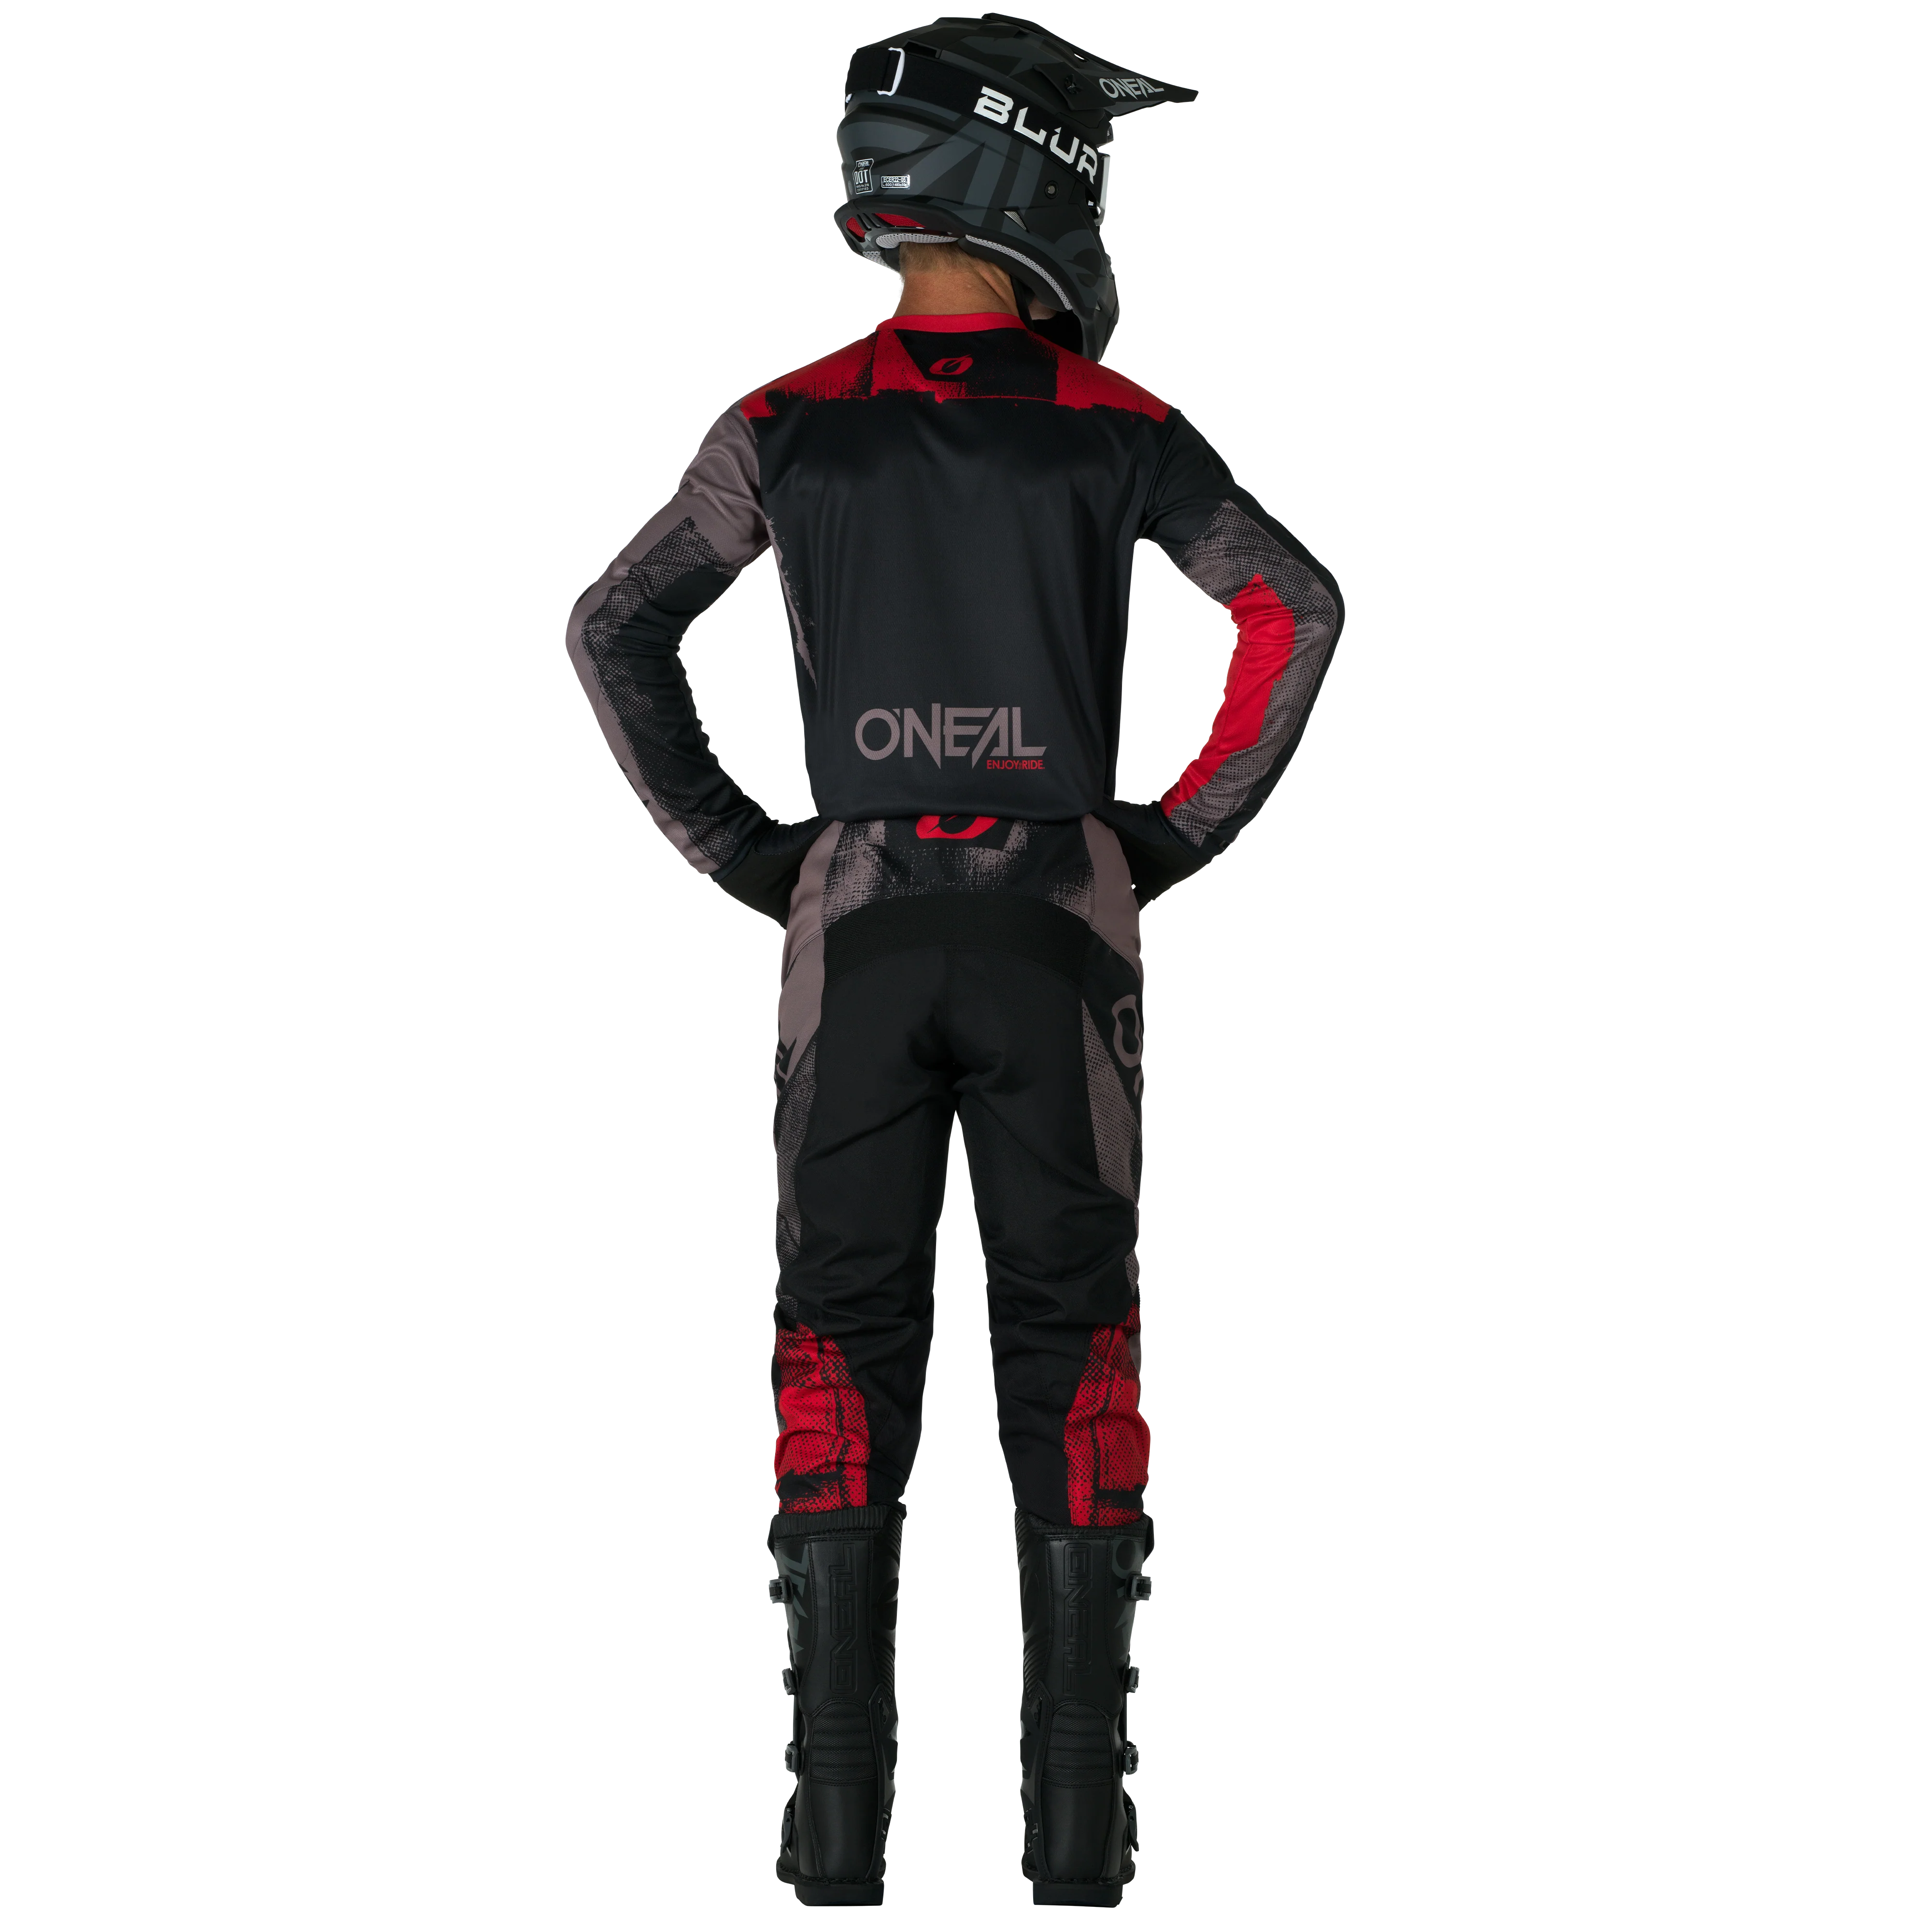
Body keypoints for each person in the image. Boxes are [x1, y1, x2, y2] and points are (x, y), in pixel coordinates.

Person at [565, 14, 1346, 1910]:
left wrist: (748, 852)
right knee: (1074, 1353)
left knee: (838, 1351)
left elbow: (612, 627)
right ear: (1041, 175)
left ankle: (835, 1832)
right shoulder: (1118, 425)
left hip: (849, 932)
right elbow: (1291, 607)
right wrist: (1165, 840)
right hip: (1057, 929)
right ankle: (1078, 1835)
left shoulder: (780, 423)